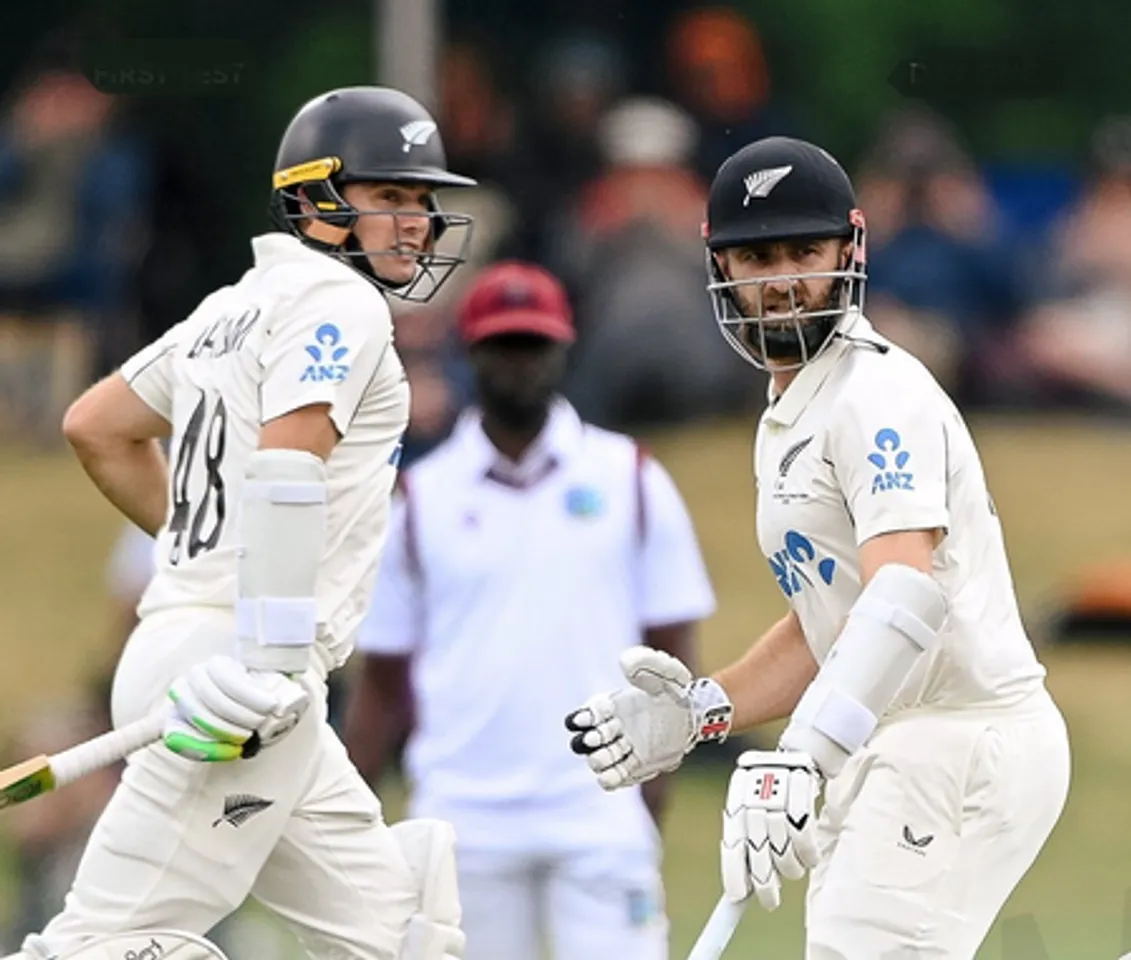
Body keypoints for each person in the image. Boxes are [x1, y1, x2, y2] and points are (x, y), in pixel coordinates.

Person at [565, 136, 1071, 959]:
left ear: (851, 246)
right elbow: (829, 621)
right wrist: (702, 711)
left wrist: (800, 753)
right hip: (885, 738)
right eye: (756, 255)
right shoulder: (793, 407)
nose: (781, 279)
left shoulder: (876, 392)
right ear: (717, 264)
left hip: (957, 735)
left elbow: (901, 593)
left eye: (804, 250)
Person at [6, 86, 477, 960]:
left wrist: (213, 564)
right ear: (311, 200)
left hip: (212, 656)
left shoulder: (230, 306)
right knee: (107, 943)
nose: (415, 221)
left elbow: (98, 427)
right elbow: (289, 463)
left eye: (421, 200)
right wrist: (262, 646)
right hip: (242, 674)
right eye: (388, 197)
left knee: (401, 937)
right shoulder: (344, 303)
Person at [344, 260, 717, 960]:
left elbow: (675, 658)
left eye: (533, 345)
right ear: (470, 351)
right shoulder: (419, 499)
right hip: (462, 816)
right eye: (502, 345)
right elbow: (383, 679)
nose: (519, 363)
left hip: (599, 809)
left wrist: (651, 791)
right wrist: (345, 815)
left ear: (562, 349)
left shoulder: (628, 478)